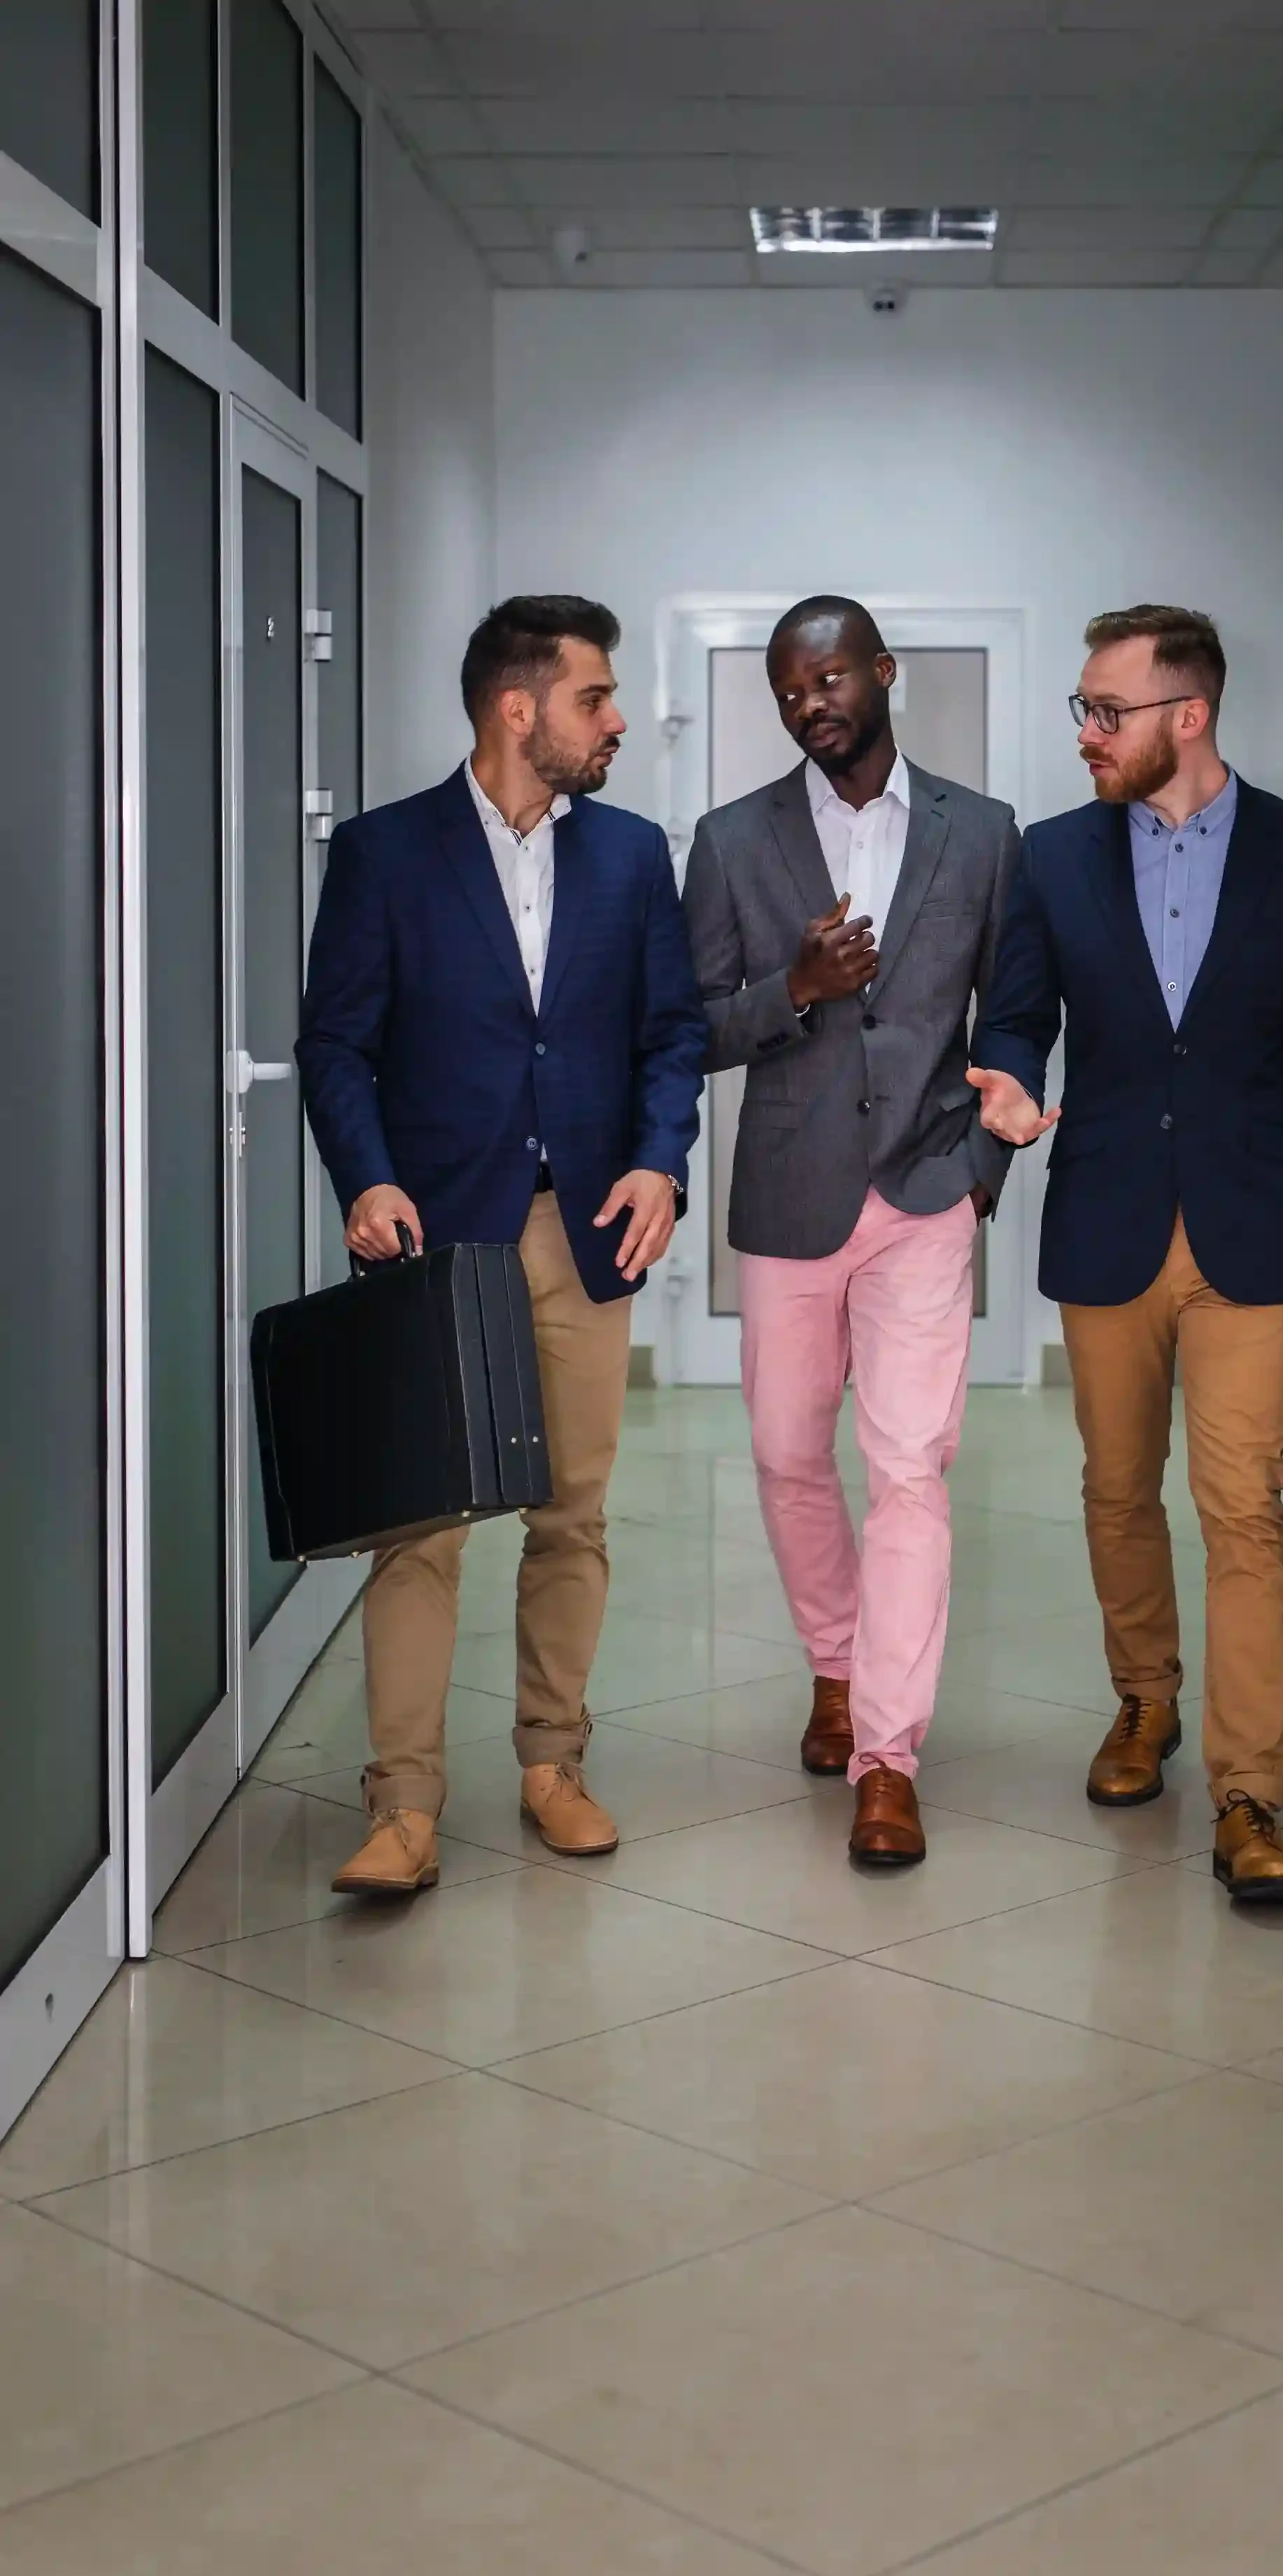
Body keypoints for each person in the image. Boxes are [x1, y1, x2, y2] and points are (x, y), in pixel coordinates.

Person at [970, 605, 1283, 1902]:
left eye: (1110, 711)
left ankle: (1249, 1788)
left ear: (1190, 716)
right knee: (1118, 1490)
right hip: (1107, 1216)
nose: (1089, 733)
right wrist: (1010, 1076)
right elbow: (1018, 1009)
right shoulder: (1054, 856)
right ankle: (1143, 1704)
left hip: (1251, 1228)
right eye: (1084, 710)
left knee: (1241, 1509)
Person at [298, 595, 707, 1896]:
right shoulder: (384, 853)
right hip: (434, 1234)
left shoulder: (636, 853)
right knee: (418, 1530)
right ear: (516, 708)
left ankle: (552, 1762)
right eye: (596, 696)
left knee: (570, 1514)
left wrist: (660, 1157)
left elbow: (673, 1034)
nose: (617, 719)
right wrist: (363, 1177)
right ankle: (403, 1803)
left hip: (584, 1229)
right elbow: (335, 1043)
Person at [682, 597, 1019, 1867]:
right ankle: (834, 1665)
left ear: (882, 673)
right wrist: (796, 990)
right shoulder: (730, 840)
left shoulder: (982, 835)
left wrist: (983, 1162)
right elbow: (696, 1025)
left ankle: (887, 1753)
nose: (807, 703)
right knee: (784, 1452)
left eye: (826, 678)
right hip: (787, 1198)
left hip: (927, 1191)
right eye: (786, 691)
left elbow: (1018, 1009)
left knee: (912, 1470)